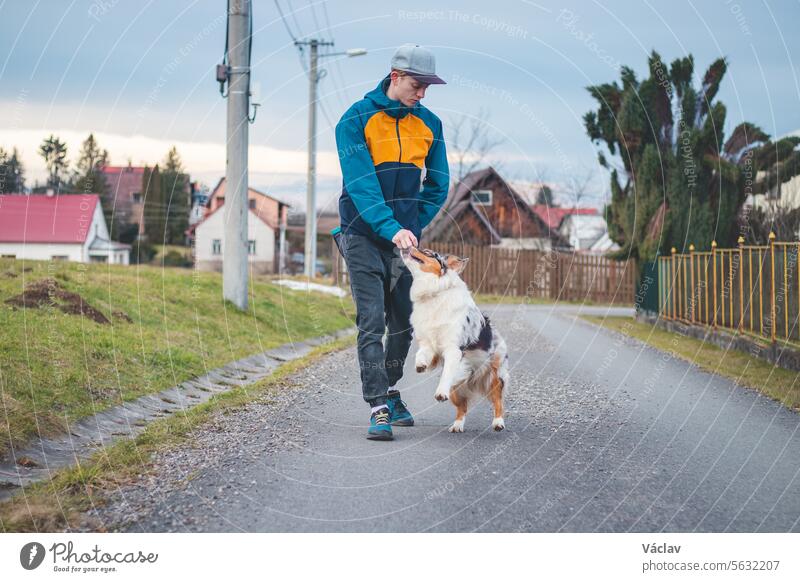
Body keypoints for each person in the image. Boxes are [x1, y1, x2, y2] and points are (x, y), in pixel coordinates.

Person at [332, 44, 449, 440]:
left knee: (404, 322)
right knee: (372, 319)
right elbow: (361, 185)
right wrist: (390, 226)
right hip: (362, 234)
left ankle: (391, 388)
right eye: (417, 85)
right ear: (395, 76)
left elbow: (438, 184)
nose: (422, 93)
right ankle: (379, 407)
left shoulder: (430, 123)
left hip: (404, 242)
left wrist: (412, 225)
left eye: (428, 87)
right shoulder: (355, 120)